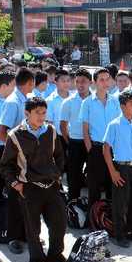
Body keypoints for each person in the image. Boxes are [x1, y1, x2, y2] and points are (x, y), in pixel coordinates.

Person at [0, 97, 67, 262]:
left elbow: (59, 155)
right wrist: (16, 184)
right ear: (27, 113)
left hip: (52, 186)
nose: (41, 116)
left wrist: (58, 174)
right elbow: (5, 165)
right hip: (30, 188)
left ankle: (54, 255)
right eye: (37, 113)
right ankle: (37, 261)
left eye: (44, 112)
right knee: (33, 228)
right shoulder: (15, 135)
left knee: (59, 223)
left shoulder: (51, 130)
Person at [103, 90, 132, 248]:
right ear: (122, 106)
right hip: (121, 168)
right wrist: (112, 171)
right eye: (131, 104)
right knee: (120, 203)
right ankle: (120, 235)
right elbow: (106, 149)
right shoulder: (114, 125)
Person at [0, 67, 35, 255]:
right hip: (14, 160)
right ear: (29, 82)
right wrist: (15, 151)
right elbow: (2, 132)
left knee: (26, 198)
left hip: (26, 160)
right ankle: (13, 238)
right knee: (14, 199)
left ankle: (26, 234)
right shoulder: (13, 102)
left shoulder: (26, 100)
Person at [79, 68, 121, 210]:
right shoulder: (87, 103)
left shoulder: (115, 101)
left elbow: (119, 125)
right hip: (96, 149)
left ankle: (111, 220)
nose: (105, 82)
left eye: (107, 79)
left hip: (113, 148)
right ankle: (93, 223)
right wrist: (90, 149)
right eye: (101, 79)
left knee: (113, 185)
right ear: (94, 83)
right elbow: (85, 130)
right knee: (94, 187)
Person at [60, 68, 92, 200]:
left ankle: (94, 206)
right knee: (73, 175)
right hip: (75, 143)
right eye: (77, 82)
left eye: (83, 81)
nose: (80, 85)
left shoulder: (96, 100)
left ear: (90, 82)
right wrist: (70, 142)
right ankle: (73, 204)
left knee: (93, 175)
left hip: (92, 143)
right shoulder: (68, 102)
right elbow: (63, 126)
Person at [0, 71, 16, 201]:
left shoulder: (12, 102)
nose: (15, 88)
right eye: (13, 85)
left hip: (9, 148)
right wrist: (1, 137)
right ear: (4, 86)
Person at [46, 69, 71, 176]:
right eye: (63, 81)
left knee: (73, 165)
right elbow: (49, 123)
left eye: (68, 80)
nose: (66, 83)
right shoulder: (50, 100)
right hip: (58, 138)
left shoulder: (74, 97)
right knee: (58, 165)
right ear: (56, 82)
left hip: (74, 136)